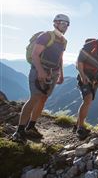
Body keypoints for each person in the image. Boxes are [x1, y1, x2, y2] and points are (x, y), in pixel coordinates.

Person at [11, 14, 70, 143]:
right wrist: (41, 71)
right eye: (63, 23)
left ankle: (31, 126)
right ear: (56, 23)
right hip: (39, 70)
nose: (65, 26)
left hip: (53, 73)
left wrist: (61, 74)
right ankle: (19, 130)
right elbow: (35, 54)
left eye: (67, 24)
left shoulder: (63, 41)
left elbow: (60, 58)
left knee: (43, 98)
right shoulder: (46, 36)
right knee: (34, 98)